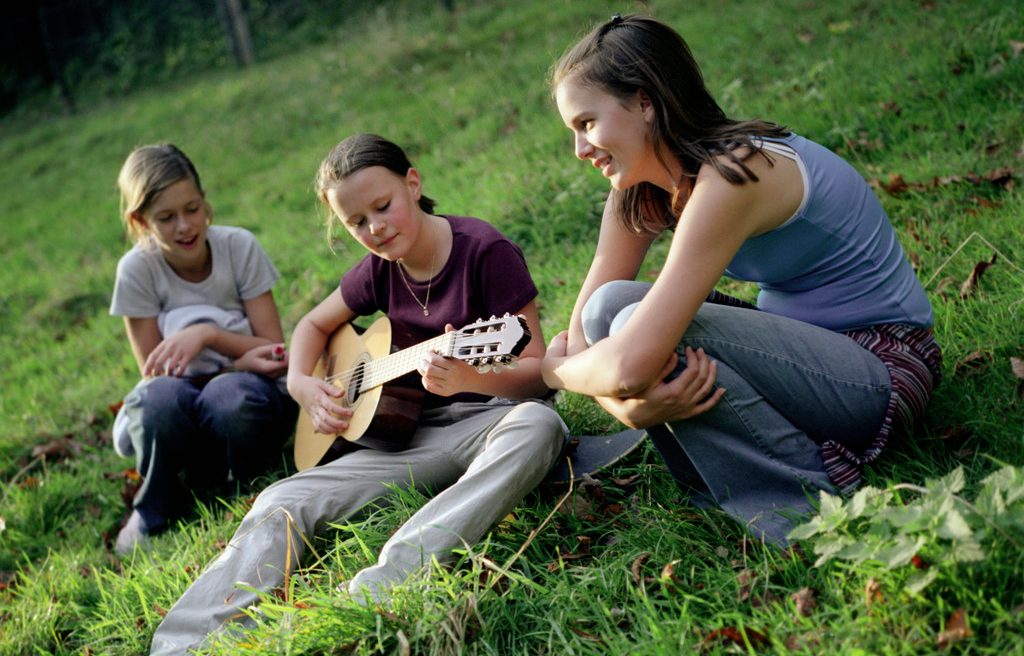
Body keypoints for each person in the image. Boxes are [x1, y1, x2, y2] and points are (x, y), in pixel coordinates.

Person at [148, 134, 565, 655]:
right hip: (406, 438)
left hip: (492, 422)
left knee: (541, 426)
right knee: (280, 499)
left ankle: (387, 580)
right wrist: (303, 385)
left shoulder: (484, 251)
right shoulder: (378, 269)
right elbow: (312, 327)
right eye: (357, 222)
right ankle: (181, 642)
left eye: (383, 206)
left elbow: (538, 373)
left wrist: (470, 378)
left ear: (413, 184)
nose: (376, 228)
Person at [541, 15, 942, 544]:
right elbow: (585, 335)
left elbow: (610, 361)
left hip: (882, 370)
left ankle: (804, 509)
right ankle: (723, 484)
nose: (580, 150)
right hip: (809, 364)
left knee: (638, 327)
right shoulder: (642, 188)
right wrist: (619, 395)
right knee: (609, 308)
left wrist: (558, 374)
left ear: (644, 102)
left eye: (587, 124)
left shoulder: (737, 173)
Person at [110, 144, 297, 556]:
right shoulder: (136, 271)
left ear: (204, 200)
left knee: (230, 397)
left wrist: (210, 336)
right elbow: (155, 375)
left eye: (192, 208)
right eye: (166, 217)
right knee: (154, 402)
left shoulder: (238, 247)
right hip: (181, 405)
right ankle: (156, 506)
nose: (184, 225)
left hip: (246, 396)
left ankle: (248, 487)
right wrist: (230, 359)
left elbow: (274, 350)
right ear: (139, 221)